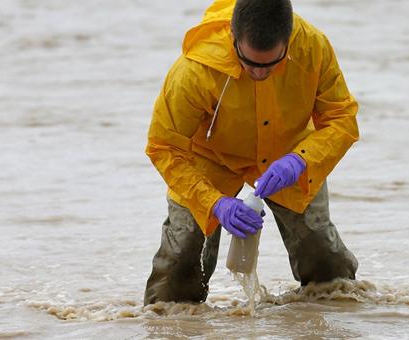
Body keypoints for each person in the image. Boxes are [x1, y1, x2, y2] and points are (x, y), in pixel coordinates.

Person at [143, 0, 359, 305]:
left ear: (289, 39)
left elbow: (342, 118)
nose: (259, 72)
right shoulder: (194, 70)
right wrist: (215, 204)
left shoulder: (314, 47)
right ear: (233, 36)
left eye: (272, 64)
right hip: (210, 156)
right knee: (180, 259)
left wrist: (301, 160)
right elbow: (163, 146)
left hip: (289, 153)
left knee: (325, 259)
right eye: (250, 63)